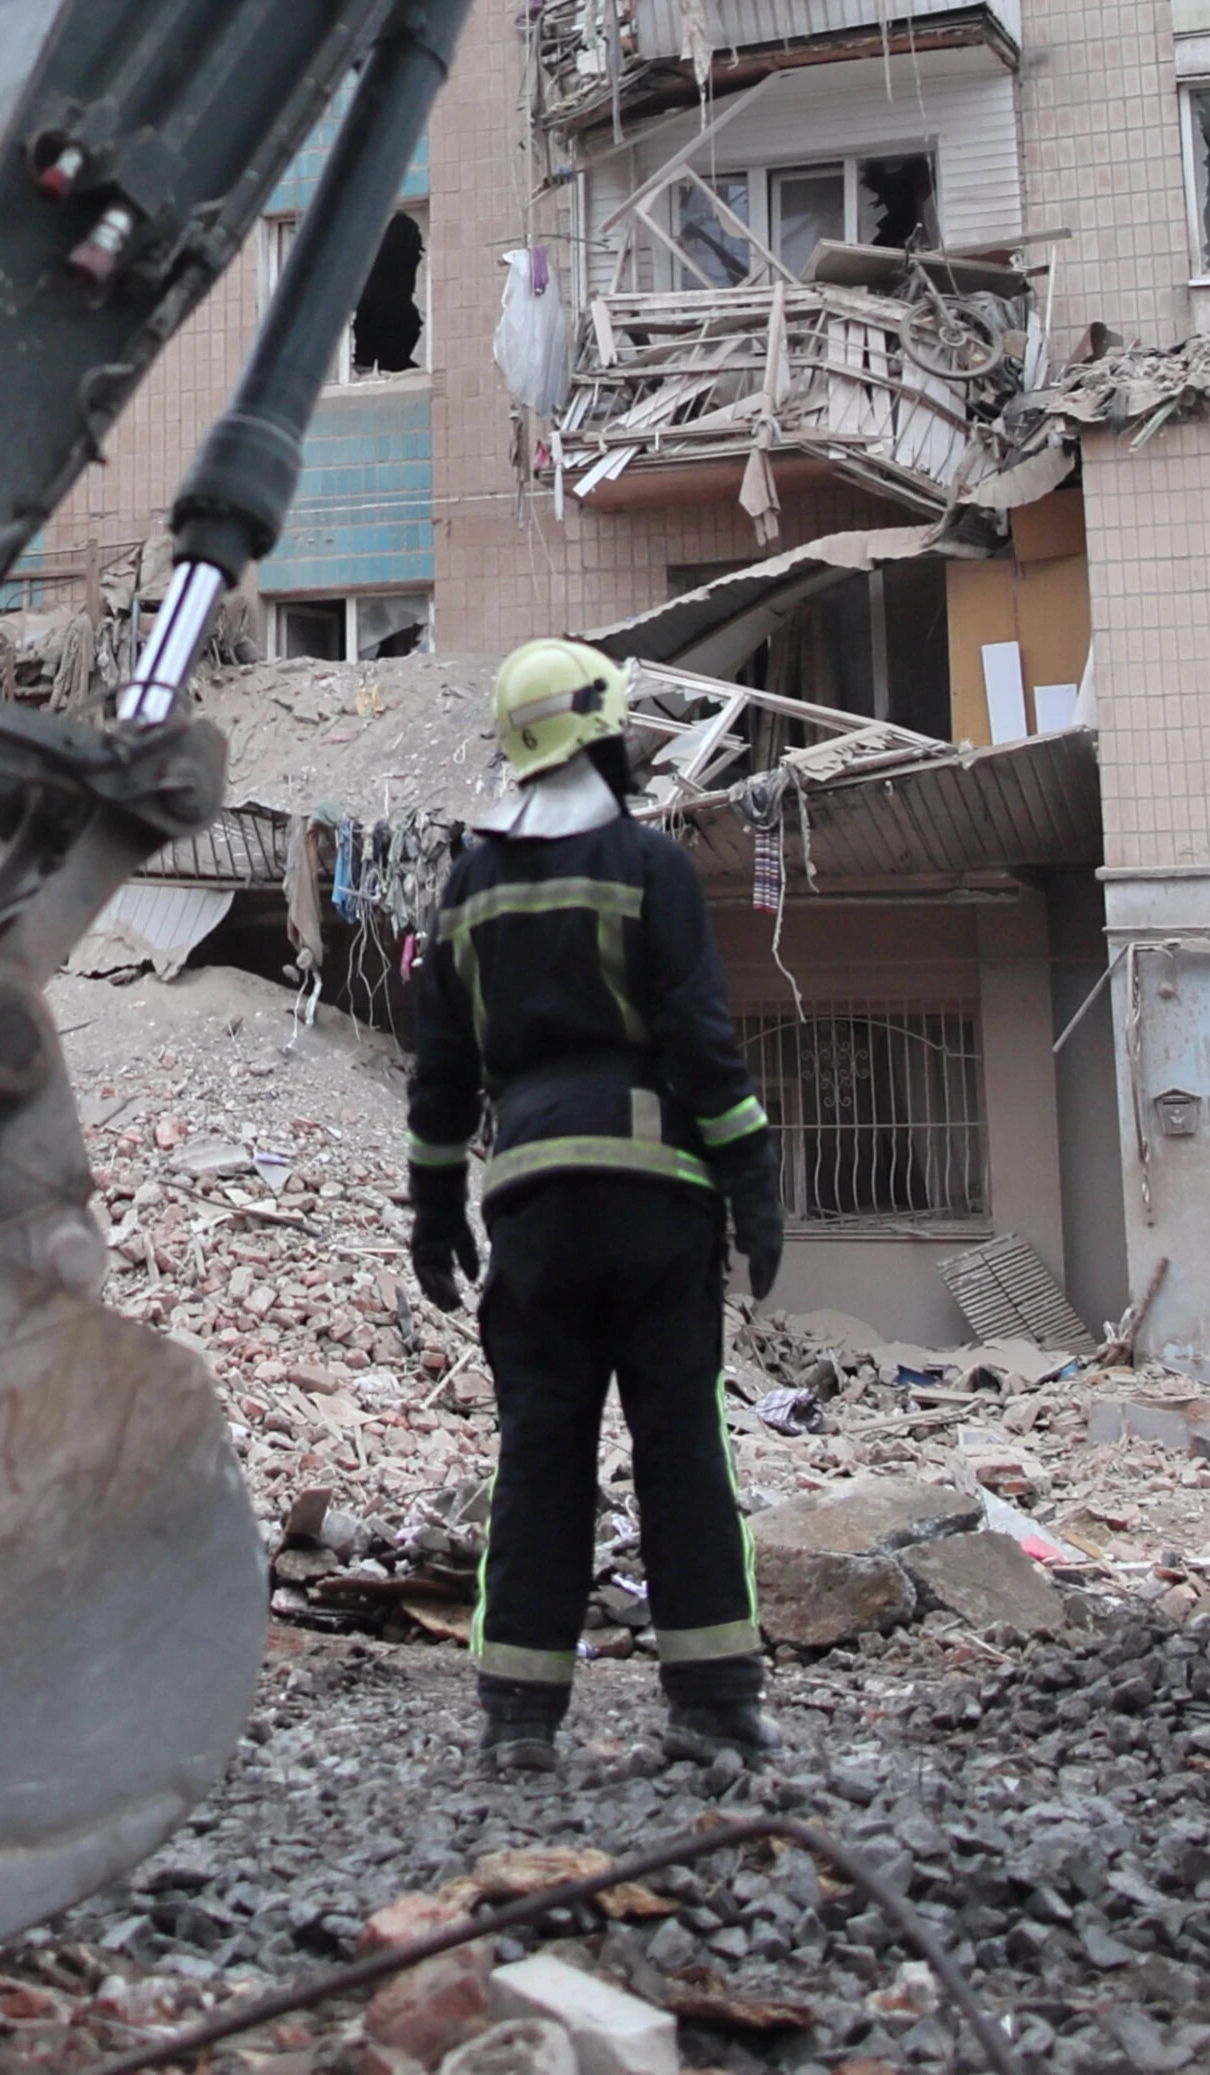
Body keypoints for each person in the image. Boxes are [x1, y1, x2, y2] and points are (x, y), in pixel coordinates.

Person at [407, 638, 787, 1779]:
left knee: (540, 1452)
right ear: (603, 729)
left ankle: (519, 1719)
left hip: (527, 1211)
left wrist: (433, 1208)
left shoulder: (467, 888)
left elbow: (440, 1073)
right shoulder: (647, 866)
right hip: (653, 1208)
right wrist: (754, 1186)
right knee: (678, 1444)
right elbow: (701, 1047)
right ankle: (712, 1712)